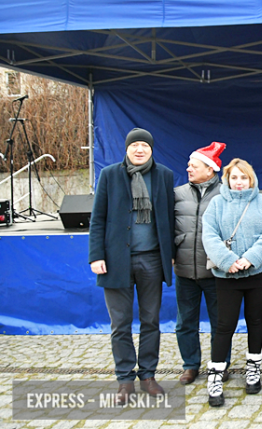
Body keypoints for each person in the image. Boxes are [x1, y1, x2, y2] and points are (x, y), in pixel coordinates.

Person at [88, 128, 175, 404]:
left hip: (152, 259)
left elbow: (170, 219)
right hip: (116, 261)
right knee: (120, 323)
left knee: (151, 321)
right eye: (135, 145)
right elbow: (97, 218)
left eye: (144, 146)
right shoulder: (110, 175)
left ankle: (148, 375)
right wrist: (96, 255)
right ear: (126, 149)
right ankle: (125, 379)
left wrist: (170, 254)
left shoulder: (164, 175)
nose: (140, 150)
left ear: (151, 149)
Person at [201, 159, 262, 407]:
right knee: (224, 325)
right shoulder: (216, 203)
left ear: (251, 179)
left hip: (259, 272)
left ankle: (253, 370)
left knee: (255, 320)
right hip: (228, 275)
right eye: (234, 177)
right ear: (227, 179)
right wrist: (228, 261)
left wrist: (250, 259)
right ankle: (215, 377)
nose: (239, 182)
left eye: (243, 178)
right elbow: (209, 235)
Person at [174, 142, 231, 386]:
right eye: (188, 165)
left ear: (210, 169)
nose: (188, 169)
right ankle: (190, 365)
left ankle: (221, 364)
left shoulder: (226, 193)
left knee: (220, 322)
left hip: (215, 272)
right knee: (185, 322)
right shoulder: (177, 194)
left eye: (193, 165)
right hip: (185, 271)